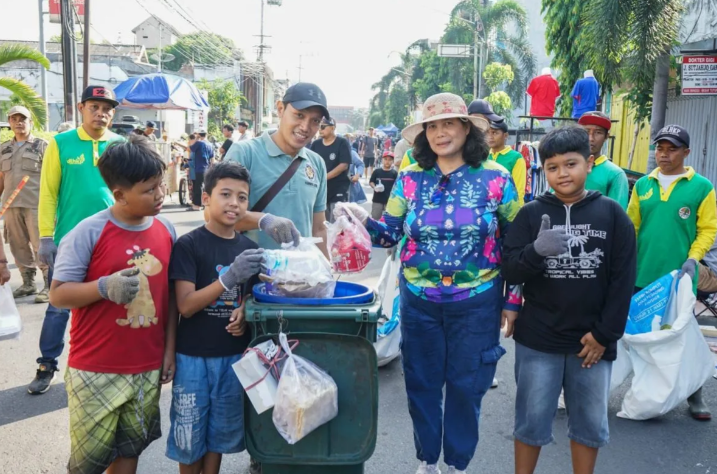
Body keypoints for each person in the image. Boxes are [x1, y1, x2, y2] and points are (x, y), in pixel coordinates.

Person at [337, 92, 520, 474]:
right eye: (432, 126)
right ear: (423, 135)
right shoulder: (409, 178)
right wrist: (359, 219)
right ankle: (427, 460)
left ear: (466, 129)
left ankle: (457, 463)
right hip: (419, 301)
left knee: (467, 387)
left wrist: (513, 301)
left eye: (448, 123)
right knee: (421, 383)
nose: (440, 133)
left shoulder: (497, 178)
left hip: (478, 301)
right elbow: (388, 235)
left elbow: (515, 242)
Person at [502, 125, 636, 474]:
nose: (563, 173)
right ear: (543, 170)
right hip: (538, 339)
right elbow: (511, 270)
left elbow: (623, 280)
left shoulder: (612, 215)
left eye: (571, 163)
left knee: (589, 425)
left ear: (589, 164)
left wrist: (605, 334)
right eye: (553, 166)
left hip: (591, 342)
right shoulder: (530, 214)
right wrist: (536, 251)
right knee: (530, 421)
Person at [48, 137, 177, 474]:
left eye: (161, 184)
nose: (161, 194)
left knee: (130, 450)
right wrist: (103, 287)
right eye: (150, 189)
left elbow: (170, 300)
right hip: (95, 368)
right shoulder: (87, 232)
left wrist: (168, 351)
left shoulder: (166, 229)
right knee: (88, 463)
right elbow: (58, 295)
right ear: (119, 194)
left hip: (146, 367)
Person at [167, 161, 262, 474]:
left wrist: (245, 308)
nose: (234, 203)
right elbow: (185, 305)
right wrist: (229, 278)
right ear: (205, 197)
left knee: (219, 435)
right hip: (192, 357)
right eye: (225, 194)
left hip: (233, 356)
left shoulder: (249, 248)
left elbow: (250, 294)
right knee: (189, 434)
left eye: (242, 197)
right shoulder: (189, 244)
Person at [30, 85, 124, 395]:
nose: (101, 113)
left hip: (111, 240)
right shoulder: (60, 144)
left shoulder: (119, 145)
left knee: (108, 304)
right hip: (68, 241)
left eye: (107, 108)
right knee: (59, 306)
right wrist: (46, 237)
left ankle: (102, 367)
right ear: (81, 108)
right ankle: (47, 364)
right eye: (95, 107)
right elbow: (48, 193)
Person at [627, 124, 717, 420]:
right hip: (643, 274)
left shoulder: (701, 187)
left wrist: (693, 259)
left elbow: (707, 229)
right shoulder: (643, 185)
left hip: (680, 279)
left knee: (684, 337)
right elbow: (633, 227)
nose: (663, 155)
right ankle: (647, 392)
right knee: (641, 335)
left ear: (686, 152)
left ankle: (695, 396)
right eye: (660, 148)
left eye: (672, 149)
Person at [225, 82, 329, 257]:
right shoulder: (244, 153)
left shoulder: (317, 163)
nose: (305, 127)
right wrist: (263, 221)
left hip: (301, 277)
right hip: (251, 275)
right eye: (299, 115)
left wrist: (326, 272)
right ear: (280, 109)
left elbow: (318, 228)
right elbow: (214, 215)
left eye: (315, 121)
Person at [0, 105, 49, 302]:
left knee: (41, 245)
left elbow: (53, 177)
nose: (19, 122)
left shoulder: (42, 145)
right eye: (14, 119)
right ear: (9, 123)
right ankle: (28, 283)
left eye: (23, 119)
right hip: (11, 206)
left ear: (30, 122)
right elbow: (2, 177)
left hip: (36, 205)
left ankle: (49, 284)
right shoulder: (4, 148)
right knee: (17, 245)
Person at [578, 111, 629, 209]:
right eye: (586, 131)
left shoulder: (615, 174)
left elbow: (618, 215)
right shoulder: (567, 166)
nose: (591, 138)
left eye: (598, 132)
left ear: (606, 136)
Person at [310, 117, 352, 221]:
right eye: (319, 126)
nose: (320, 129)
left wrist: (324, 177)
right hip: (320, 191)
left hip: (338, 189)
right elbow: (309, 164)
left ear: (332, 128)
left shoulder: (342, 142)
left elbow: (344, 165)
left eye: (323, 127)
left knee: (337, 222)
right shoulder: (316, 144)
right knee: (322, 224)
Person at [487, 118, 527, 205]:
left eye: (494, 133)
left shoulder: (515, 158)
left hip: (508, 210)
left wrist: (517, 214)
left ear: (505, 135)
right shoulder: (484, 156)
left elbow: (518, 190)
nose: (490, 136)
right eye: (488, 132)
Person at [188, 129, 214, 212]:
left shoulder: (199, 143)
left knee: (198, 186)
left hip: (199, 168)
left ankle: (197, 205)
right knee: (205, 186)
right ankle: (205, 204)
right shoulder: (210, 144)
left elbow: (191, 148)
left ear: (199, 135)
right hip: (207, 168)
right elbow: (212, 157)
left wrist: (196, 139)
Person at [369, 151, 398, 219]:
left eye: (390, 160)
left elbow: (397, 185)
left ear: (393, 161)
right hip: (377, 200)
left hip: (390, 201)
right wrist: (375, 187)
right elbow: (371, 182)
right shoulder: (377, 171)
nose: (387, 161)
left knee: (389, 219)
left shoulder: (394, 173)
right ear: (382, 160)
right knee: (375, 219)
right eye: (385, 159)